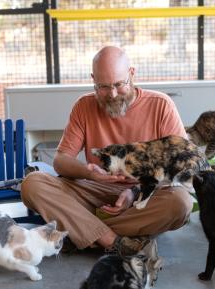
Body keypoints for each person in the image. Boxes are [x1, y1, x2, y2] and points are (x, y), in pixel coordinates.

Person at [20, 46, 193, 256]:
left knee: (180, 203)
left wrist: (135, 192)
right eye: (103, 86)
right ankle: (112, 240)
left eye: (119, 84)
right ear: (93, 79)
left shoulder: (161, 105)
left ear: (132, 73)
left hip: (144, 197)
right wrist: (89, 173)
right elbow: (61, 160)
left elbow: (183, 166)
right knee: (32, 184)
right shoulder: (83, 106)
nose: (112, 94)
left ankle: (80, 232)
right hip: (94, 190)